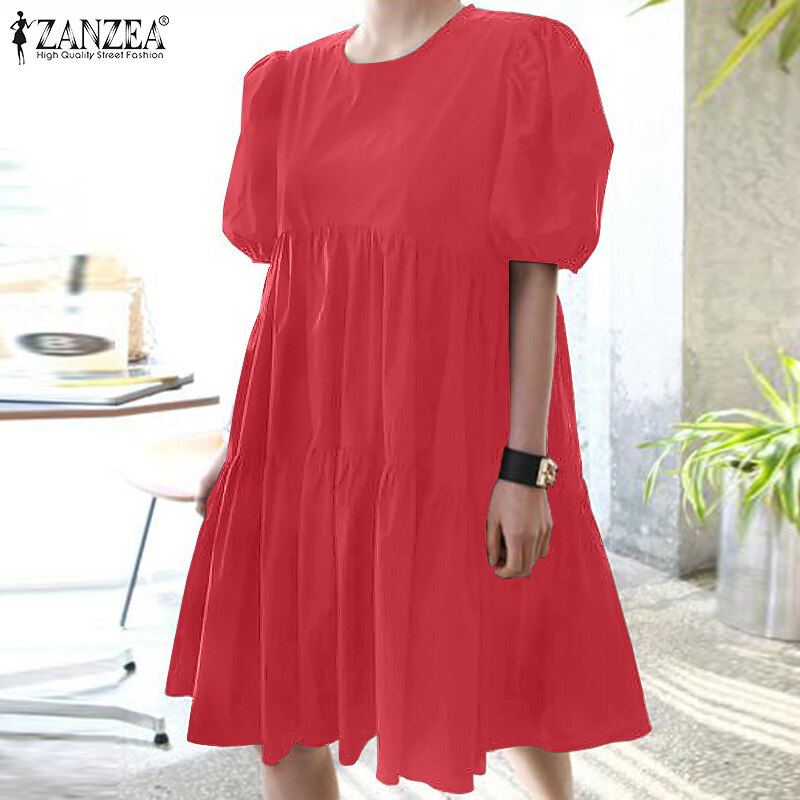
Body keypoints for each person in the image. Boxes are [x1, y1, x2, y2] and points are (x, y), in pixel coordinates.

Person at [166, 3, 653, 798]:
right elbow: (292, 286)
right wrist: (244, 441)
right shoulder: (285, 81)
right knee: (282, 704)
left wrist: (524, 469)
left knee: (508, 665)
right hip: (304, 438)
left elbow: (534, 278)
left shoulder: (524, 56)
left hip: (456, 428)